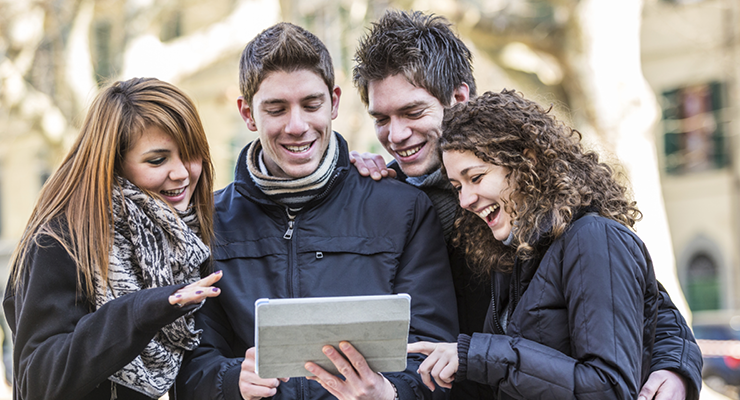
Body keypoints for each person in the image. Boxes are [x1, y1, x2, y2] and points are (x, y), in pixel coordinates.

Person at [351, 9, 702, 400]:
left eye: (412, 112)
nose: (395, 134)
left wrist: (675, 366)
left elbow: (645, 304)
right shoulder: (381, 192)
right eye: (381, 118)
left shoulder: (533, 203)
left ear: (459, 98)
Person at [175, 22, 458, 400]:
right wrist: (230, 380)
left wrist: (390, 394)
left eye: (311, 105)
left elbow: (436, 350)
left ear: (335, 102)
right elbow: (186, 364)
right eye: (276, 109)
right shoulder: (207, 223)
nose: (297, 126)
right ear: (247, 113)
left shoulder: (403, 209)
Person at [407, 89, 663, 399]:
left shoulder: (594, 239)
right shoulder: (516, 254)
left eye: (476, 177)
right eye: (457, 186)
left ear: (527, 161)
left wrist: (477, 355)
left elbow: (608, 387)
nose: (465, 200)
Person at [3, 77, 223, 400]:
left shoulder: (187, 241)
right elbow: (38, 379)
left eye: (191, 154)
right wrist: (138, 312)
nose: (182, 173)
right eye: (158, 160)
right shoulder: (60, 239)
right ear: (115, 164)